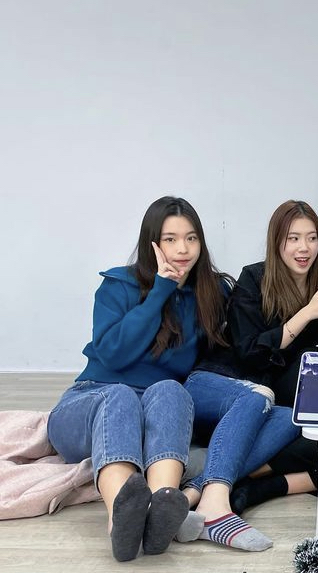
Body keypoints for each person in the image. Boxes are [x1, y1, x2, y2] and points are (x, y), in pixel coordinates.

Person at [47, 196, 229, 561]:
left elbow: (253, 321)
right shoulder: (118, 285)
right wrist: (161, 291)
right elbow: (114, 354)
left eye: (191, 238)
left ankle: (161, 506)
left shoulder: (212, 293)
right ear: (153, 243)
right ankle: (120, 520)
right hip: (91, 402)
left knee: (172, 390)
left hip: (152, 411)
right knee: (121, 396)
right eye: (170, 239)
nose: (182, 249)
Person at [178, 201, 318, 550]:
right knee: (261, 396)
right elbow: (249, 352)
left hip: (263, 406)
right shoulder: (254, 278)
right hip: (215, 385)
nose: (303, 248)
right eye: (293, 238)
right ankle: (214, 506)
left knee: (294, 418)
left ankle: (188, 497)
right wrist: (306, 314)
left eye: (311, 238)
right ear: (276, 241)